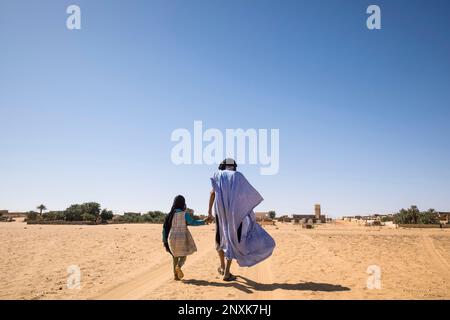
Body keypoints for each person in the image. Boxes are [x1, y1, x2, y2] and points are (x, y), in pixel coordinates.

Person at [208, 158, 276, 282]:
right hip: (236, 216)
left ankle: (222, 267)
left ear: (222, 166)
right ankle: (227, 272)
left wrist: (209, 212)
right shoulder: (238, 176)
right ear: (234, 167)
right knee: (232, 241)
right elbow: (246, 196)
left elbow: (212, 193)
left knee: (220, 239)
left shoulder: (216, 175)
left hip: (220, 214)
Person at [163, 195, 209, 281]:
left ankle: (176, 276)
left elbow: (164, 230)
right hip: (182, 238)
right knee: (183, 256)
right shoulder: (184, 214)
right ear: (183, 204)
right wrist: (204, 221)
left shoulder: (169, 215)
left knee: (174, 256)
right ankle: (179, 266)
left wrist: (164, 242)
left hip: (171, 238)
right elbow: (194, 222)